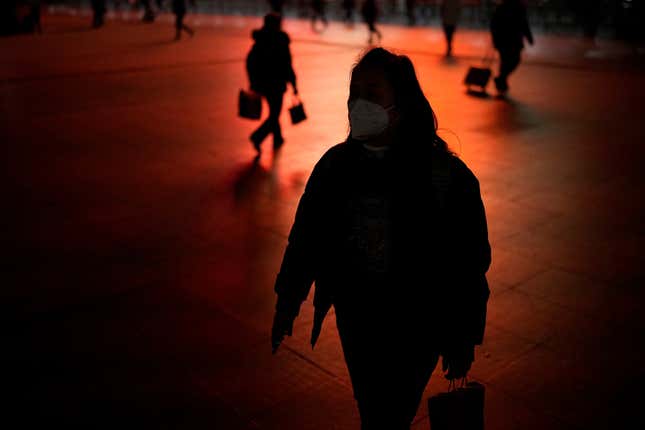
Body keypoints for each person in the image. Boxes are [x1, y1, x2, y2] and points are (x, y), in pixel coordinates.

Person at [271, 47, 491, 429]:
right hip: (357, 317)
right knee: (374, 405)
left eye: (372, 94)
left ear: (400, 105)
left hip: (416, 323)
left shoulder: (446, 178)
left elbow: (468, 265)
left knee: (389, 411)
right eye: (354, 93)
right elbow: (307, 235)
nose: (358, 104)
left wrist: (462, 337)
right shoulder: (335, 167)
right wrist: (288, 297)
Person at [247, 12, 298, 152]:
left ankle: (278, 138)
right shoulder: (281, 40)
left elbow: (250, 61)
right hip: (277, 84)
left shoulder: (260, 39)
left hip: (262, 84)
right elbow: (287, 64)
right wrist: (294, 84)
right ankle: (257, 137)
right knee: (275, 114)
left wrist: (252, 82)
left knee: (273, 111)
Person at [490, 0, 534, 94]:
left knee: (506, 61)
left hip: (504, 39)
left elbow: (494, 24)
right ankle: (502, 80)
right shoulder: (519, 7)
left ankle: (502, 79)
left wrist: (494, 39)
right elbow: (524, 23)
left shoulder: (502, 8)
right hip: (512, 39)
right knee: (514, 60)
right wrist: (529, 37)